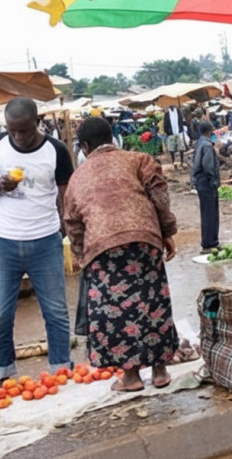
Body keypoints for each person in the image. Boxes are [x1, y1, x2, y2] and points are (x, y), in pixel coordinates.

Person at [63, 117, 178, 391]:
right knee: (152, 301)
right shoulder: (138, 160)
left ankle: (131, 376)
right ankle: (160, 372)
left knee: (116, 311)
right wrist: (167, 231)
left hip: (103, 249)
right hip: (144, 239)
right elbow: (160, 196)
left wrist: (80, 254)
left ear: (85, 146)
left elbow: (72, 223)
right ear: (112, 138)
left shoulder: (78, 177)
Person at [0, 97, 74, 382]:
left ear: (37, 122)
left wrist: (68, 231)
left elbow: (67, 195)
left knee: (55, 311)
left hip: (45, 241)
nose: (18, 136)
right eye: (12, 130)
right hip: (2, 242)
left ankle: (61, 372)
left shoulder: (55, 150)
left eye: (24, 130)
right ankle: (4, 376)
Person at [190, 121, 220, 254]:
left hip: (200, 182)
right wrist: (213, 180)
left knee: (207, 212)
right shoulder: (207, 145)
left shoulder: (199, 143)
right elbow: (207, 166)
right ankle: (209, 243)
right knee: (210, 214)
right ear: (210, 131)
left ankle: (211, 242)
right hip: (207, 183)